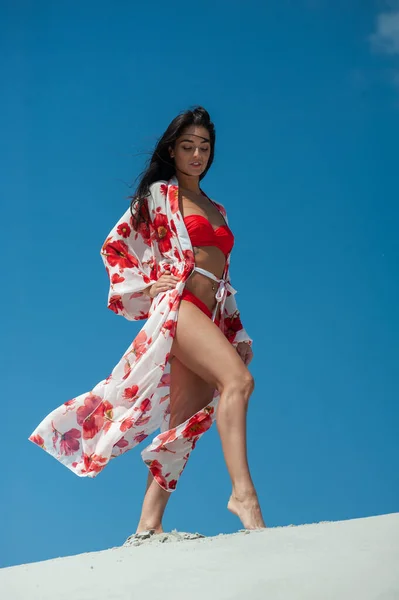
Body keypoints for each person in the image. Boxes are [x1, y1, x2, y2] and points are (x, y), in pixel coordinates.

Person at [29, 106, 266, 532]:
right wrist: (146, 286)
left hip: (208, 314)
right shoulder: (159, 196)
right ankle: (244, 498)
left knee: (185, 422)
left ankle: (147, 527)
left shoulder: (217, 208)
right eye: (188, 146)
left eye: (204, 147)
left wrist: (235, 328)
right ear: (172, 151)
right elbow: (115, 248)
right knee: (238, 383)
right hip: (179, 309)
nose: (196, 154)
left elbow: (223, 277)